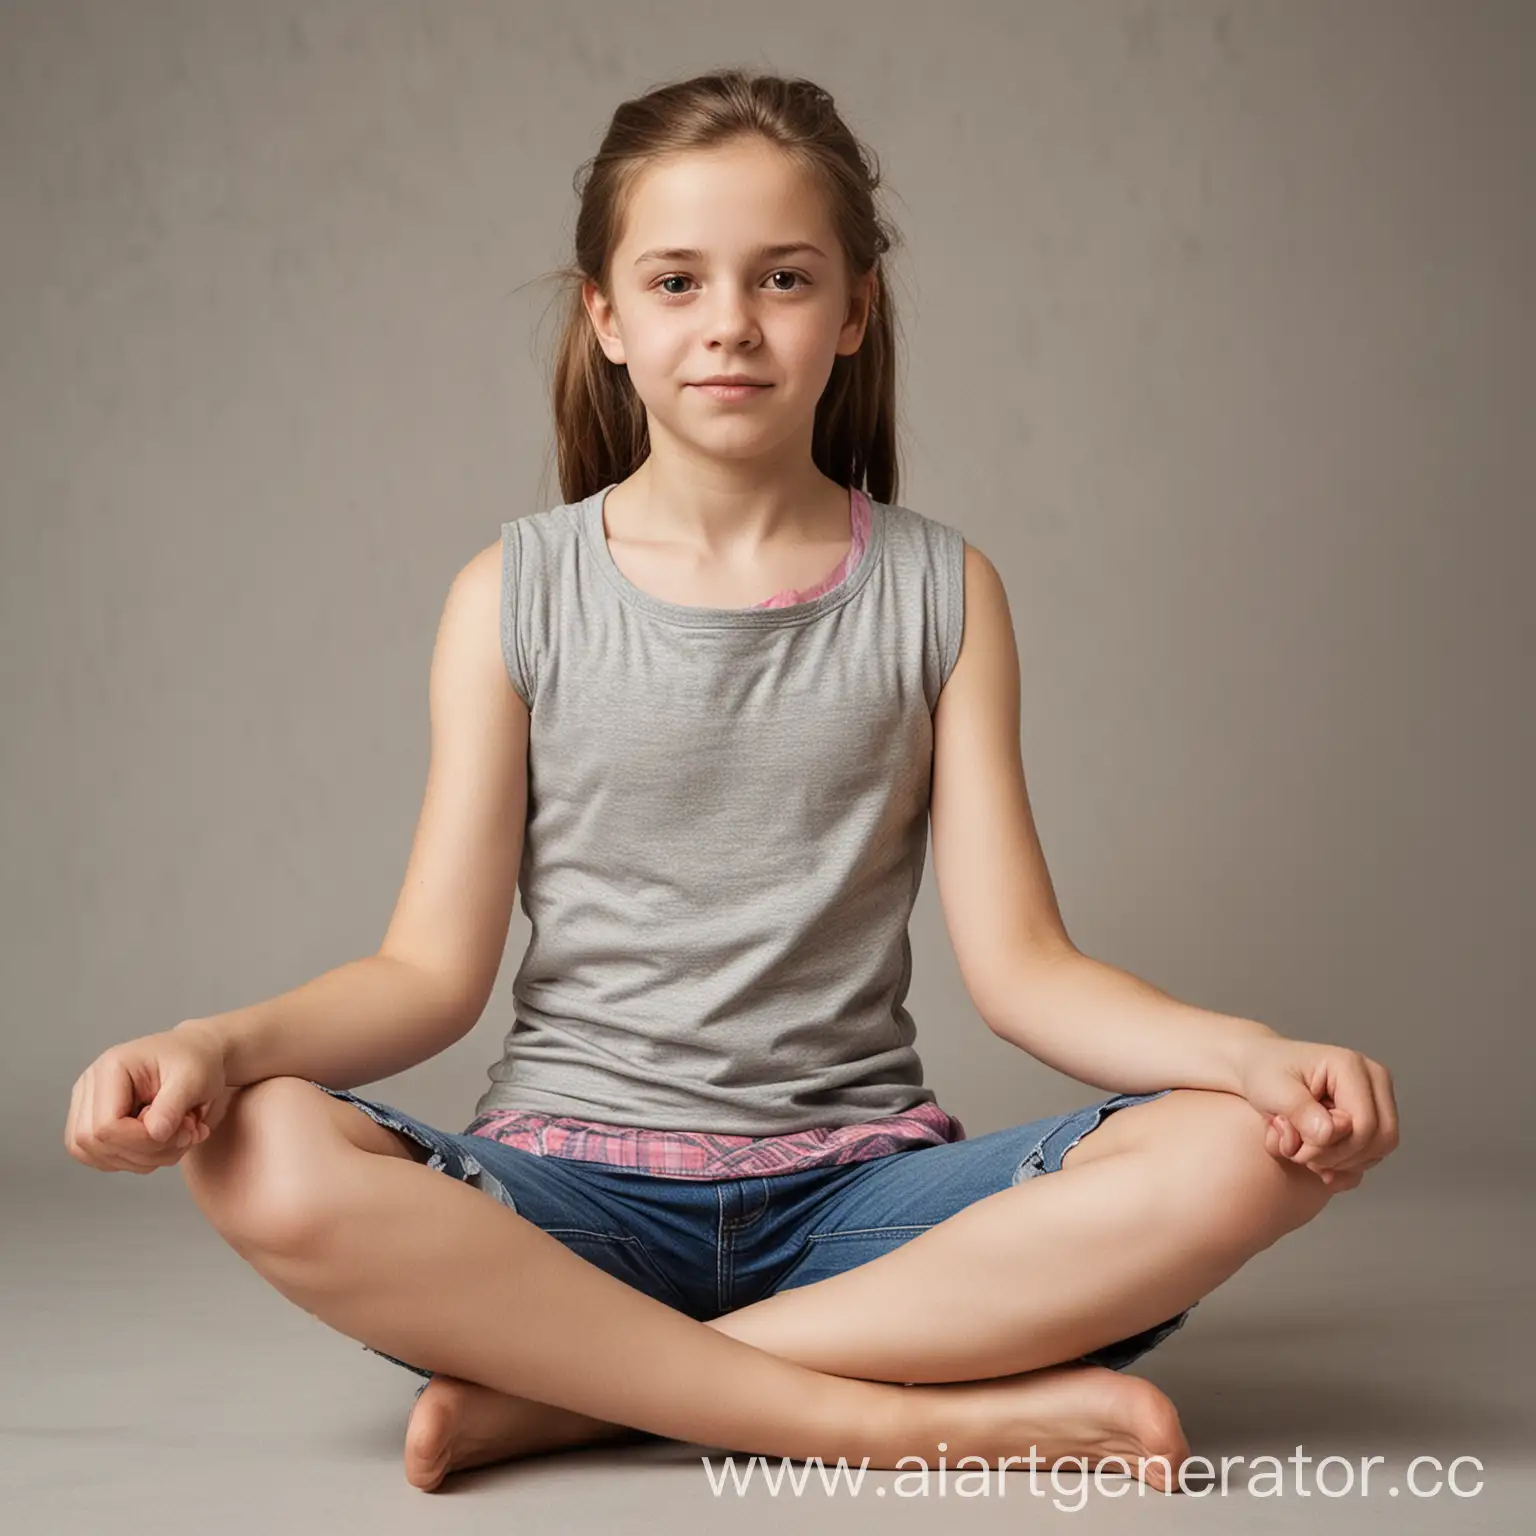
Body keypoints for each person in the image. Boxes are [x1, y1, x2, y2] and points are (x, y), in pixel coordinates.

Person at [63, 68, 1399, 1495]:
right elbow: (423, 975)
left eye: (782, 278)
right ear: (607, 317)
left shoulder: (942, 590)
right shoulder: (514, 592)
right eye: (678, 280)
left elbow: (1026, 972)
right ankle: (885, 1418)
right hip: (565, 1211)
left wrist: (1249, 1058)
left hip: (863, 1208)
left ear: (855, 309)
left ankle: (588, 1393)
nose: (730, 325)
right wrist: (216, 1044)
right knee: (258, 1145)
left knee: (1245, 1154)